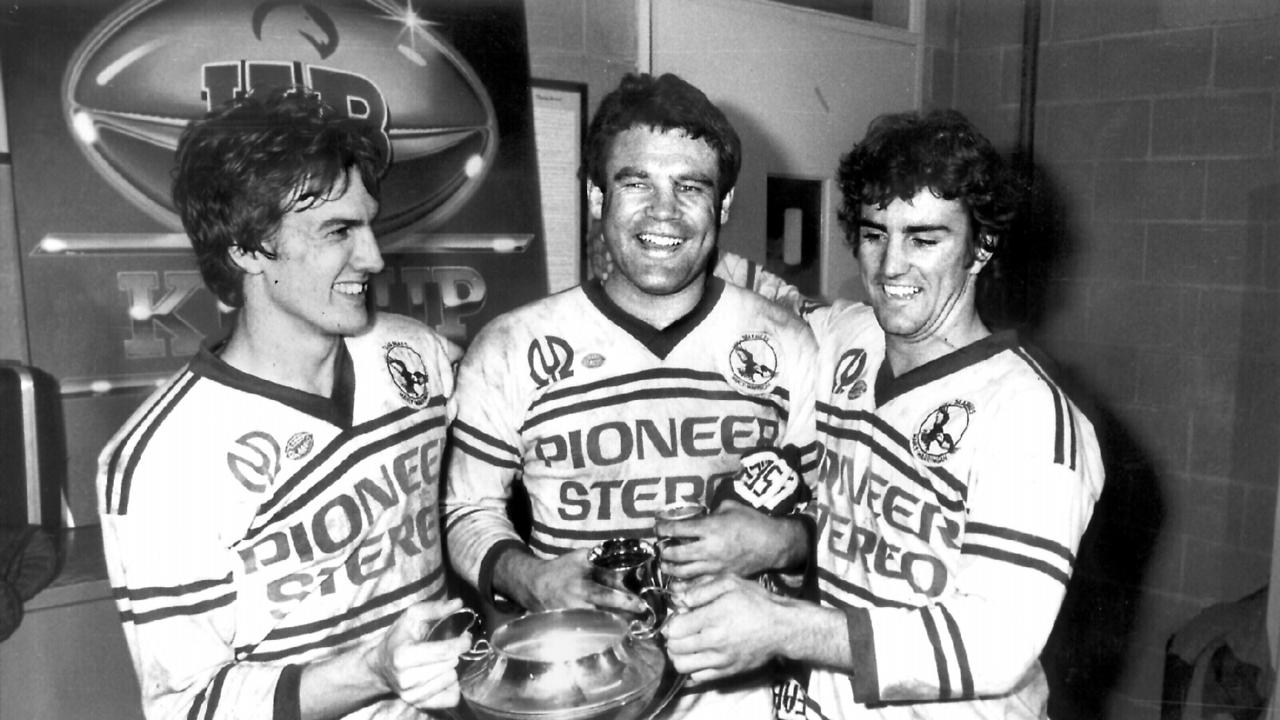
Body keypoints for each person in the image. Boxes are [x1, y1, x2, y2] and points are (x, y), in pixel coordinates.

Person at [663, 109, 1105, 719]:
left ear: (981, 247)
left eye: (924, 239)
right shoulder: (849, 337)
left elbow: (996, 642)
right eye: (875, 234)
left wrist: (784, 626)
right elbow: (761, 302)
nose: (890, 265)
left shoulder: (1031, 417)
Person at [443, 72, 819, 718]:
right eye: (636, 182)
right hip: (581, 689)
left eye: (691, 187)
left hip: (739, 694)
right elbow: (467, 510)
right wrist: (532, 577)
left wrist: (782, 543)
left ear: (723, 206)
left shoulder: (786, 342)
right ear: (596, 196)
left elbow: (834, 509)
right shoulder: (510, 346)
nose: (664, 212)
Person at [97, 88, 470, 720]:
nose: (374, 257)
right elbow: (188, 708)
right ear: (245, 246)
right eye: (337, 231)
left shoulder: (416, 354)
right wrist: (372, 671)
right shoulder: (162, 461)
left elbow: (476, 494)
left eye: (370, 224)